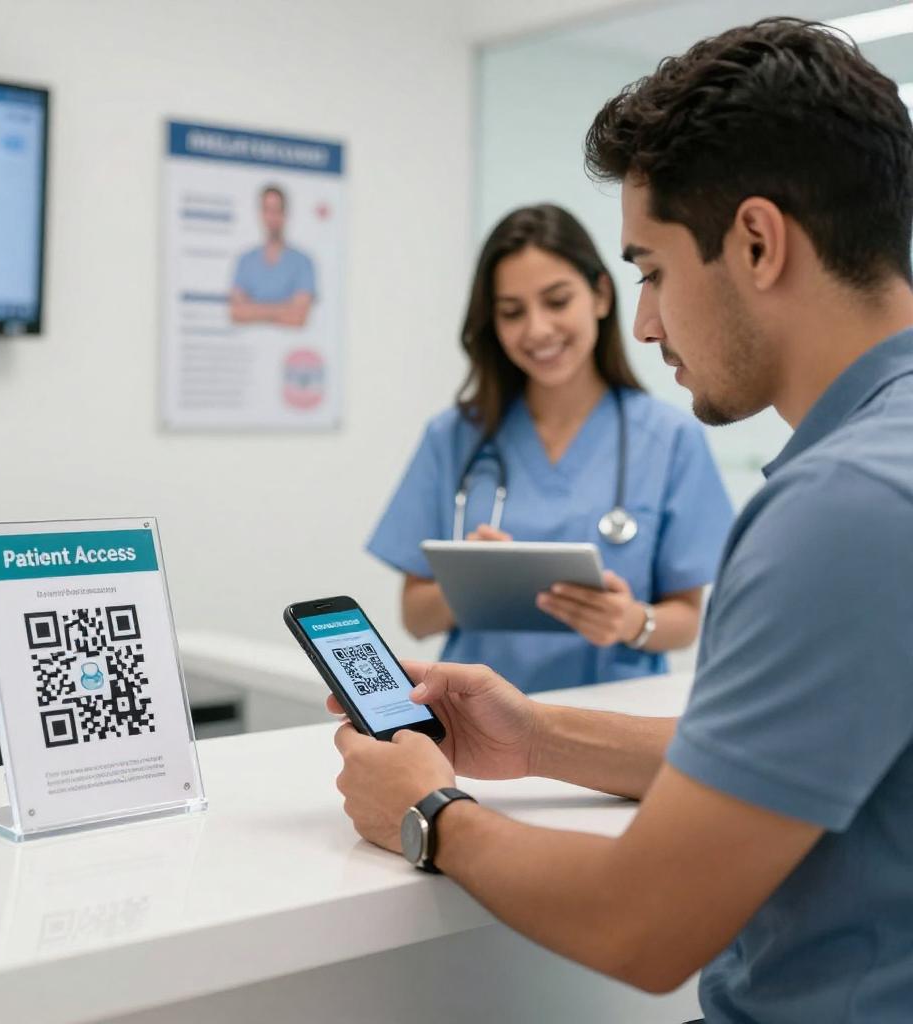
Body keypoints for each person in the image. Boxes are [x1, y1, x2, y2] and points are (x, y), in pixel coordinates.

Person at [333, 17, 913, 1022]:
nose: (646, 323)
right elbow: (807, 754)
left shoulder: (842, 507)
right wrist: (536, 737)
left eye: (650, 271)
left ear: (757, 242)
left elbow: (642, 924)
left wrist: (428, 812)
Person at [368, 204, 733, 693]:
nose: (537, 330)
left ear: (601, 295)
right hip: (476, 719)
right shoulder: (453, 437)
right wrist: (473, 584)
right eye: (512, 312)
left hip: (612, 718)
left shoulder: (670, 439)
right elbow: (415, 617)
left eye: (557, 301)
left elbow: (685, 620)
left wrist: (627, 622)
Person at [229, 185, 315, 327]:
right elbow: (236, 313)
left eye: (276, 210)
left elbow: (298, 317)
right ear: (261, 214)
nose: (272, 217)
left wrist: (253, 309)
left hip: (289, 347)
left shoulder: (302, 262)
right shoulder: (245, 261)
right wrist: (284, 308)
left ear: (285, 214)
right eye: (267, 210)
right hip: (248, 347)